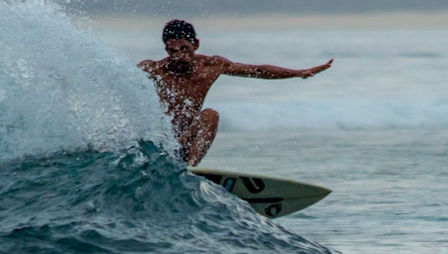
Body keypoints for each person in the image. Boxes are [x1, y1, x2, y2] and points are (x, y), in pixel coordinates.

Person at [139, 19, 333, 165]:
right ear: (166, 49)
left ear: (196, 45)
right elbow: (119, 83)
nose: (179, 56)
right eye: (173, 51)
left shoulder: (211, 66)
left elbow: (257, 70)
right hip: (160, 144)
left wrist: (298, 73)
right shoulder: (153, 69)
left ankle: (190, 169)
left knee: (210, 115)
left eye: (184, 49)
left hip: (187, 143)